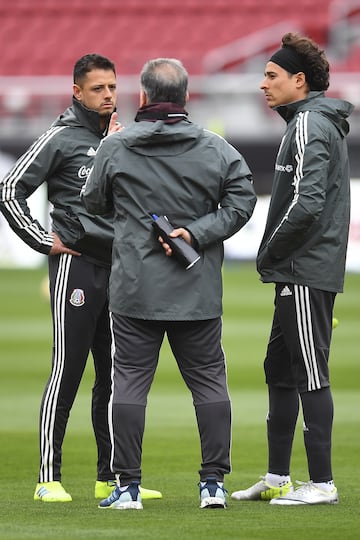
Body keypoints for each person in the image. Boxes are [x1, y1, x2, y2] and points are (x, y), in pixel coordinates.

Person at [81, 57, 257, 510]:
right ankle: (213, 484)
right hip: (195, 285)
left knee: (130, 383)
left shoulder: (115, 148)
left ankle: (128, 486)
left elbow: (94, 201)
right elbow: (242, 201)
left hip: (135, 288)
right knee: (209, 383)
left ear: (141, 97)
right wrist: (197, 231)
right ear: (185, 98)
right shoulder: (216, 147)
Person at [0, 53, 161, 503]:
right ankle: (47, 478)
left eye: (112, 86)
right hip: (76, 266)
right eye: (98, 88)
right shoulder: (60, 138)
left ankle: (111, 478)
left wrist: (122, 149)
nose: (109, 95)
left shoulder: (121, 137)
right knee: (67, 369)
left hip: (120, 269)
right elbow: (9, 189)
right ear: (77, 92)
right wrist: (42, 241)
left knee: (114, 375)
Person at [231, 33, 353, 506]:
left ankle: (321, 483)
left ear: (298, 81)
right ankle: (278, 476)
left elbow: (307, 204)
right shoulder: (306, 122)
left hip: (303, 268)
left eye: (271, 76)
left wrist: (268, 253)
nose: (263, 85)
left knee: (309, 372)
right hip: (298, 269)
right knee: (280, 371)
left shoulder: (307, 125)